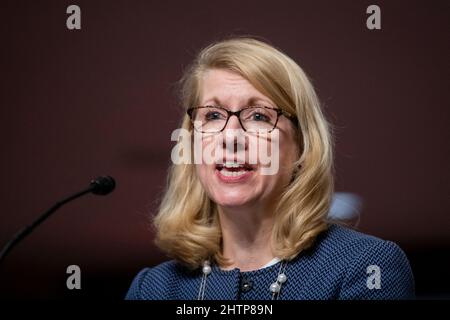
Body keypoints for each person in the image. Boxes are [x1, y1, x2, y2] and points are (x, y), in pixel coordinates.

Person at [125, 37, 415, 300]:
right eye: (213, 115)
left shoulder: (366, 267)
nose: (231, 137)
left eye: (259, 116)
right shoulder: (154, 288)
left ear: (301, 144)